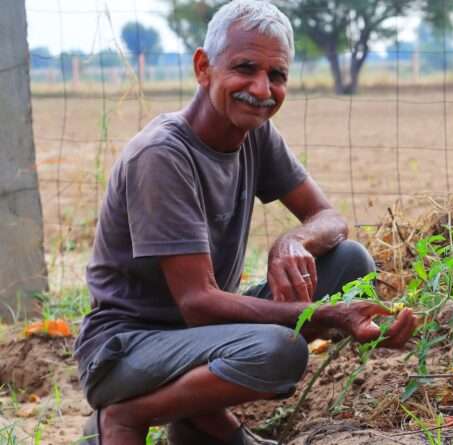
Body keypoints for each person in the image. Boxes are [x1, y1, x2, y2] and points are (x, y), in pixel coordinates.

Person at [73, 1, 416, 444]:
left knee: (348, 262)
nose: (261, 88)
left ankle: (198, 424)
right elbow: (197, 302)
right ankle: (125, 416)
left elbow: (330, 219)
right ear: (203, 67)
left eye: (277, 76)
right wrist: (326, 314)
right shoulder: (162, 155)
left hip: (198, 338)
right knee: (278, 350)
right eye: (245, 68)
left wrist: (294, 240)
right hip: (124, 352)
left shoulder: (256, 134)